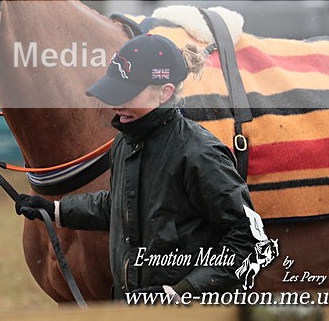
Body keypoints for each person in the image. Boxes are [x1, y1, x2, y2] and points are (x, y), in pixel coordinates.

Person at [15, 33, 262, 302]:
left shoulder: (200, 153)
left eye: (126, 94)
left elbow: (247, 240)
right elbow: (119, 206)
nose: (115, 104)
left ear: (165, 92)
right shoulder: (124, 143)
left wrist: (182, 292)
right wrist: (55, 210)